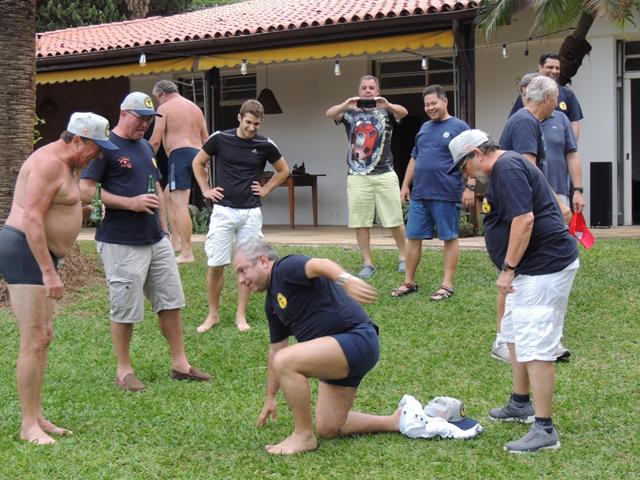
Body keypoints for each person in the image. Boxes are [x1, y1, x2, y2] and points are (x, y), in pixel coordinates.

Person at [448, 129, 579, 453]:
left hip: (543, 267)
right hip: (530, 269)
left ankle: (544, 428)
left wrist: (508, 268)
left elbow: (524, 219)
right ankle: (520, 403)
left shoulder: (505, 168)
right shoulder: (509, 165)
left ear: (477, 153)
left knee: (536, 344)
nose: (466, 175)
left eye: (464, 166)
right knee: (514, 334)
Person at [79, 92, 210, 392]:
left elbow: (158, 188)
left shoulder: (145, 147)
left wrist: (164, 229)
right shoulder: (105, 147)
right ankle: (124, 371)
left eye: (150, 120)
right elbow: (85, 189)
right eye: (141, 119)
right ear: (124, 113)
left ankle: (180, 364)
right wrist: (130, 203)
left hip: (155, 240)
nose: (145, 125)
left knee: (171, 302)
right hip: (121, 241)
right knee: (125, 307)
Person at [0, 112, 118, 444]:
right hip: (24, 250)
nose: (98, 155)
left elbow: (53, 206)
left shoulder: (68, 165)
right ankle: (28, 425)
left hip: (39, 254)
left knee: (44, 336)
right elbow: (32, 218)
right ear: (77, 139)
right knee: (34, 338)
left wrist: (77, 213)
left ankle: (37, 416)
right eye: (96, 148)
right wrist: (49, 272)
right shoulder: (48, 163)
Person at [232, 238, 401, 455]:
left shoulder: (285, 268)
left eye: (243, 270)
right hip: (336, 354)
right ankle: (395, 421)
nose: (241, 280)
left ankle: (303, 436)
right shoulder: (272, 304)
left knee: (285, 360)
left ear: (263, 261)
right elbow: (276, 348)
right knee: (330, 427)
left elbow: (319, 264)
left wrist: (346, 279)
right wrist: (270, 396)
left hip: (357, 340)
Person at [493, 75, 572, 363]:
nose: (557, 105)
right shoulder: (525, 121)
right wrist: (555, 202)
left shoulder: (526, 120)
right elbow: (529, 169)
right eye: (557, 99)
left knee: (522, 276)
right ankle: (504, 340)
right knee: (514, 274)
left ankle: (533, 339)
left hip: (525, 206)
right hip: (523, 207)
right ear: (548, 99)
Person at [192, 99, 289, 333]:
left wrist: (265, 189)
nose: (251, 127)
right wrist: (205, 190)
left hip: (251, 213)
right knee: (216, 264)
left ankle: (240, 315)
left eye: (256, 124)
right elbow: (198, 162)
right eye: (248, 122)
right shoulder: (219, 138)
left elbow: (284, 170)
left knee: (247, 265)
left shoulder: (265, 144)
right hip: (223, 211)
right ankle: (213, 315)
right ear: (239, 118)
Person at [392, 85, 473, 300]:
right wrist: (405, 185)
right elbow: (415, 157)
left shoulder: (459, 126)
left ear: (445, 101)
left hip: (446, 192)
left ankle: (447, 285)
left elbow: (471, 157)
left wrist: (470, 186)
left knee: (449, 237)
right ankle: (409, 282)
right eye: (427, 105)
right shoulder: (424, 128)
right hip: (420, 193)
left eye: (434, 103)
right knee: (412, 237)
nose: (430, 108)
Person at [326, 75, 407, 279]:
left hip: (385, 172)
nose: (368, 91)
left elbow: (403, 112)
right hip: (357, 175)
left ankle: (404, 257)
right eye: (364, 88)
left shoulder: (387, 111)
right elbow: (330, 113)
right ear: (359, 91)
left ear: (377, 91)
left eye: (372, 87)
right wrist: (346, 105)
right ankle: (367, 263)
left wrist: (387, 104)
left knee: (395, 219)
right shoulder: (350, 113)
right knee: (360, 221)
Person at [149, 80, 209, 264]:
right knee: (168, 197)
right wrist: (206, 165)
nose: (158, 102)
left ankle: (187, 252)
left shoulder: (165, 107)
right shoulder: (196, 109)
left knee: (180, 204)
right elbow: (206, 139)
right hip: (198, 156)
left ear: (162, 94)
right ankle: (175, 243)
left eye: (158, 99)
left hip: (180, 155)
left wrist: (144, 158)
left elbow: (155, 140)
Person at [509, 53, 583, 140]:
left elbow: (574, 122)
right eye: (550, 67)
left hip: (559, 145)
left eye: (557, 68)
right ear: (540, 68)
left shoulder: (568, 94)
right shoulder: (529, 92)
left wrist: (571, 145)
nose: (554, 71)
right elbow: (515, 119)